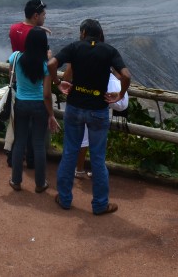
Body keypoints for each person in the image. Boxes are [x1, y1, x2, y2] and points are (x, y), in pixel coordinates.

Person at [48, 18, 130, 215]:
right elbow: (126, 76)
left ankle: (65, 199)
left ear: (83, 33)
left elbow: (51, 63)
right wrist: (119, 94)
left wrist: (57, 82)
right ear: (100, 34)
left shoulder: (75, 47)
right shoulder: (109, 51)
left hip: (75, 107)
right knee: (98, 158)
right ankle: (100, 204)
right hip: (98, 110)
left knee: (69, 153)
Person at [7, 26, 59, 191]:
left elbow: (11, 74)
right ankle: (40, 183)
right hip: (39, 106)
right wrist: (51, 114)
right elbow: (46, 94)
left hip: (21, 103)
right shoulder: (45, 65)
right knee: (38, 144)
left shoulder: (15, 57)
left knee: (19, 142)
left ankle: (16, 181)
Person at [6, 0, 48, 167]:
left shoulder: (13, 29)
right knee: (35, 128)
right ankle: (31, 160)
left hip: (18, 79)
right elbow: (42, 56)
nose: (45, 17)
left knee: (17, 124)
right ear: (36, 15)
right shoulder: (37, 35)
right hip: (34, 81)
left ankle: (13, 157)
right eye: (44, 15)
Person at [73, 70, 128, 177]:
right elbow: (122, 105)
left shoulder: (90, 73)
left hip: (84, 107)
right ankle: (97, 171)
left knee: (83, 140)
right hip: (100, 112)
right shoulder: (113, 82)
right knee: (98, 143)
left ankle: (79, 169)